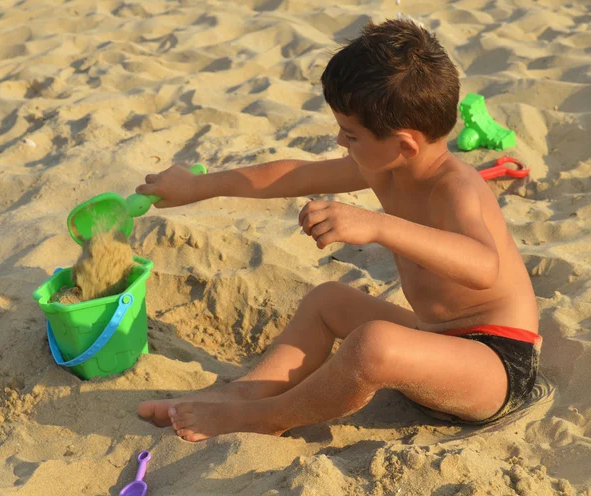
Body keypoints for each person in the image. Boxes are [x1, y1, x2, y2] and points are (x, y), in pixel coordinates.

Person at [135, 19, 541, 442]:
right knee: (328, 300)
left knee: (373, 344)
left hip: (494, 363)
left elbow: (483, 266)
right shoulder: (383, 164)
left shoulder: (455, 187)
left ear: (404, 144)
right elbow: (292, 176)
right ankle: (242, 395)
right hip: (434, 339)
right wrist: (197, 186)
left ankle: (267, 417)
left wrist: (378, 225)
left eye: (350, 134)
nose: (340, 141)